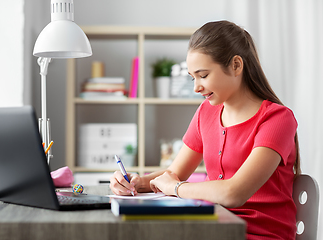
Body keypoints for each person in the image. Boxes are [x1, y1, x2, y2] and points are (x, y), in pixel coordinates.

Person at [110, 20, 300, 240]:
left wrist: (176, 188)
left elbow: (233, 193)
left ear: (236, 65)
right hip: (214, 228)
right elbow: (175, 174)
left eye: (203, 75)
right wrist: (136, 183)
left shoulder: (277, 119)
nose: (196, 87)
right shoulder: (206, 114)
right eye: (193, 77)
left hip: (259, 235)